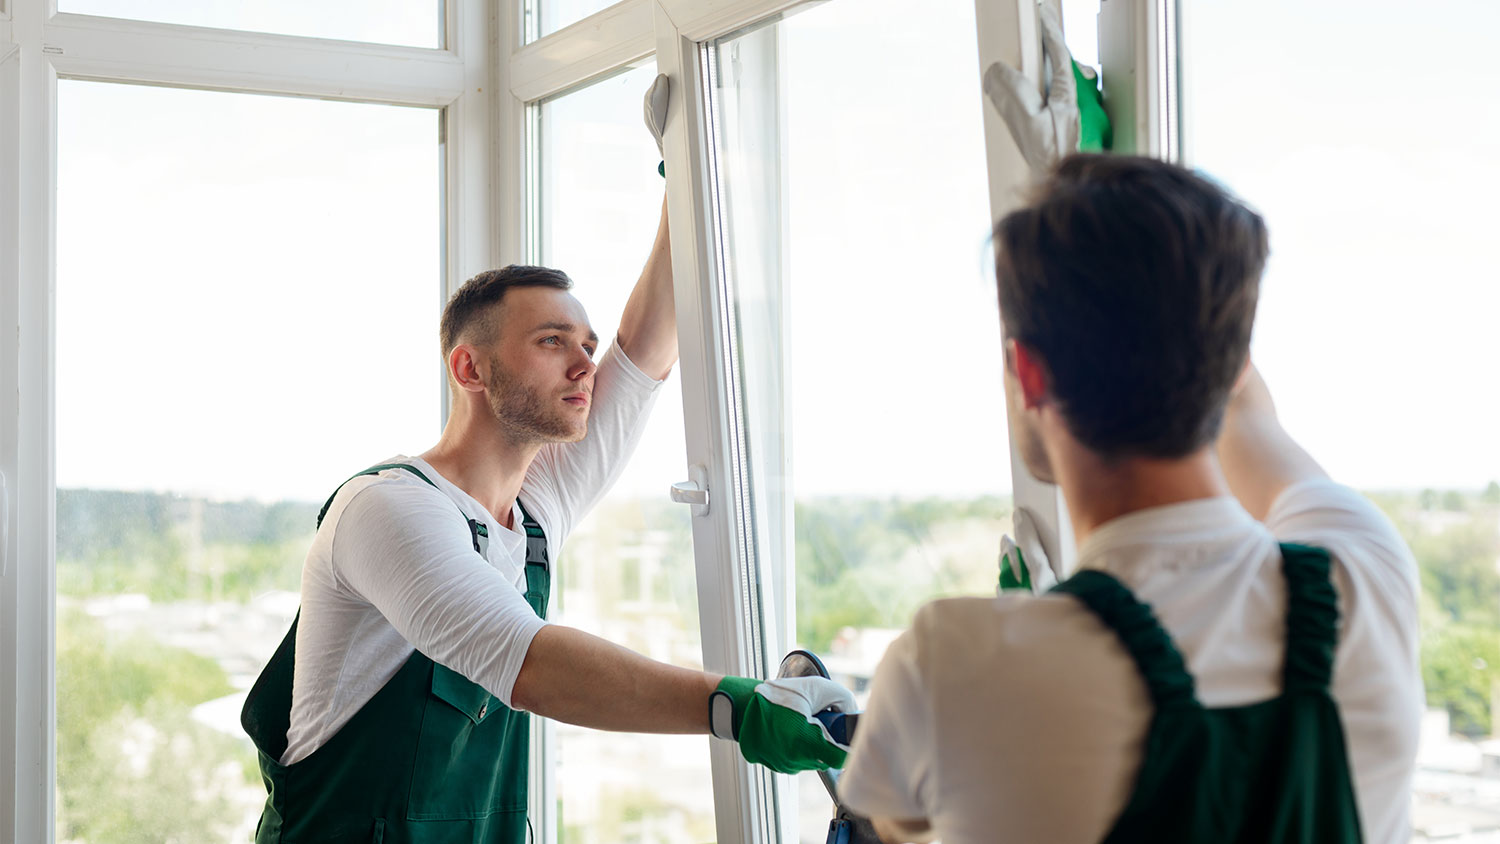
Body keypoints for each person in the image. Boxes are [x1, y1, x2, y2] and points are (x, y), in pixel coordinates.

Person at [241, 78, 855, 844]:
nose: (583, 366)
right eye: (551, 341)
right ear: (470, 370)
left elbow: (645, 350)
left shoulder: (533, 515)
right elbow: (526, 659)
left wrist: (684, 178)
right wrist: (734, 706)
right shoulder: (388, 510)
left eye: (585, 345)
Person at [836, 152, 1423, 843]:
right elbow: (1259, 428)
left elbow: (893, 822)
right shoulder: (1365, 571)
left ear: (1028, 373)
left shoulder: (952, 664)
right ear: (1234, 365)